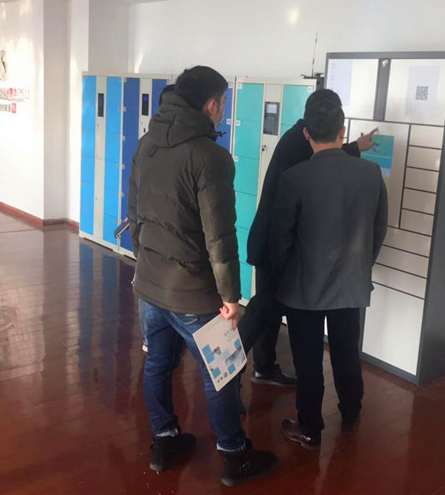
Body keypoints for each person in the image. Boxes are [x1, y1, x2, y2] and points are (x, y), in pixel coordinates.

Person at [128, 66, 277, 486]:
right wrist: (231, 296)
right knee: (222, 373)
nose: (223, 111)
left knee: (158, 364)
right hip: (194, 294)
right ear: (211, 105)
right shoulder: (210, 157)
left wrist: (144, 262)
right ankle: (234, 456)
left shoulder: (146, 144)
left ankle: (165, 441)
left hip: (150, 285)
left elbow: (135, 213)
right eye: (223, 103)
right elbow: (220, 236)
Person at [269, 96, 388, 450]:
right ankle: (351, 412)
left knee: (308, 360)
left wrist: (285, 276)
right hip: (351, 285)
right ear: (343, 131)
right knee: (347, 351)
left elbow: (280, 239)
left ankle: (310, 428)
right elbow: (378, 228)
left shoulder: (295, 178)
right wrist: (361, 266)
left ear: (306, 134)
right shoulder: (370, 173)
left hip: (304, 288)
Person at [238, 89, 376, 386]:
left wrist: (355, 147)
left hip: (278, 243)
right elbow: (322, 164)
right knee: (264, 310)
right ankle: (229, 368)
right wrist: (354, 148)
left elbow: (324, 156)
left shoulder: (299, 138)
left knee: (267, 310)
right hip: (275, 245)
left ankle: (260, 367)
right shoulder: (297, 144)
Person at [139, 83, 175, 354]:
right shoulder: (192, 149)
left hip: (152, 239)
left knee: (150, 290)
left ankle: (153, 341)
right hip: (160, 239)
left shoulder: (146, 143)